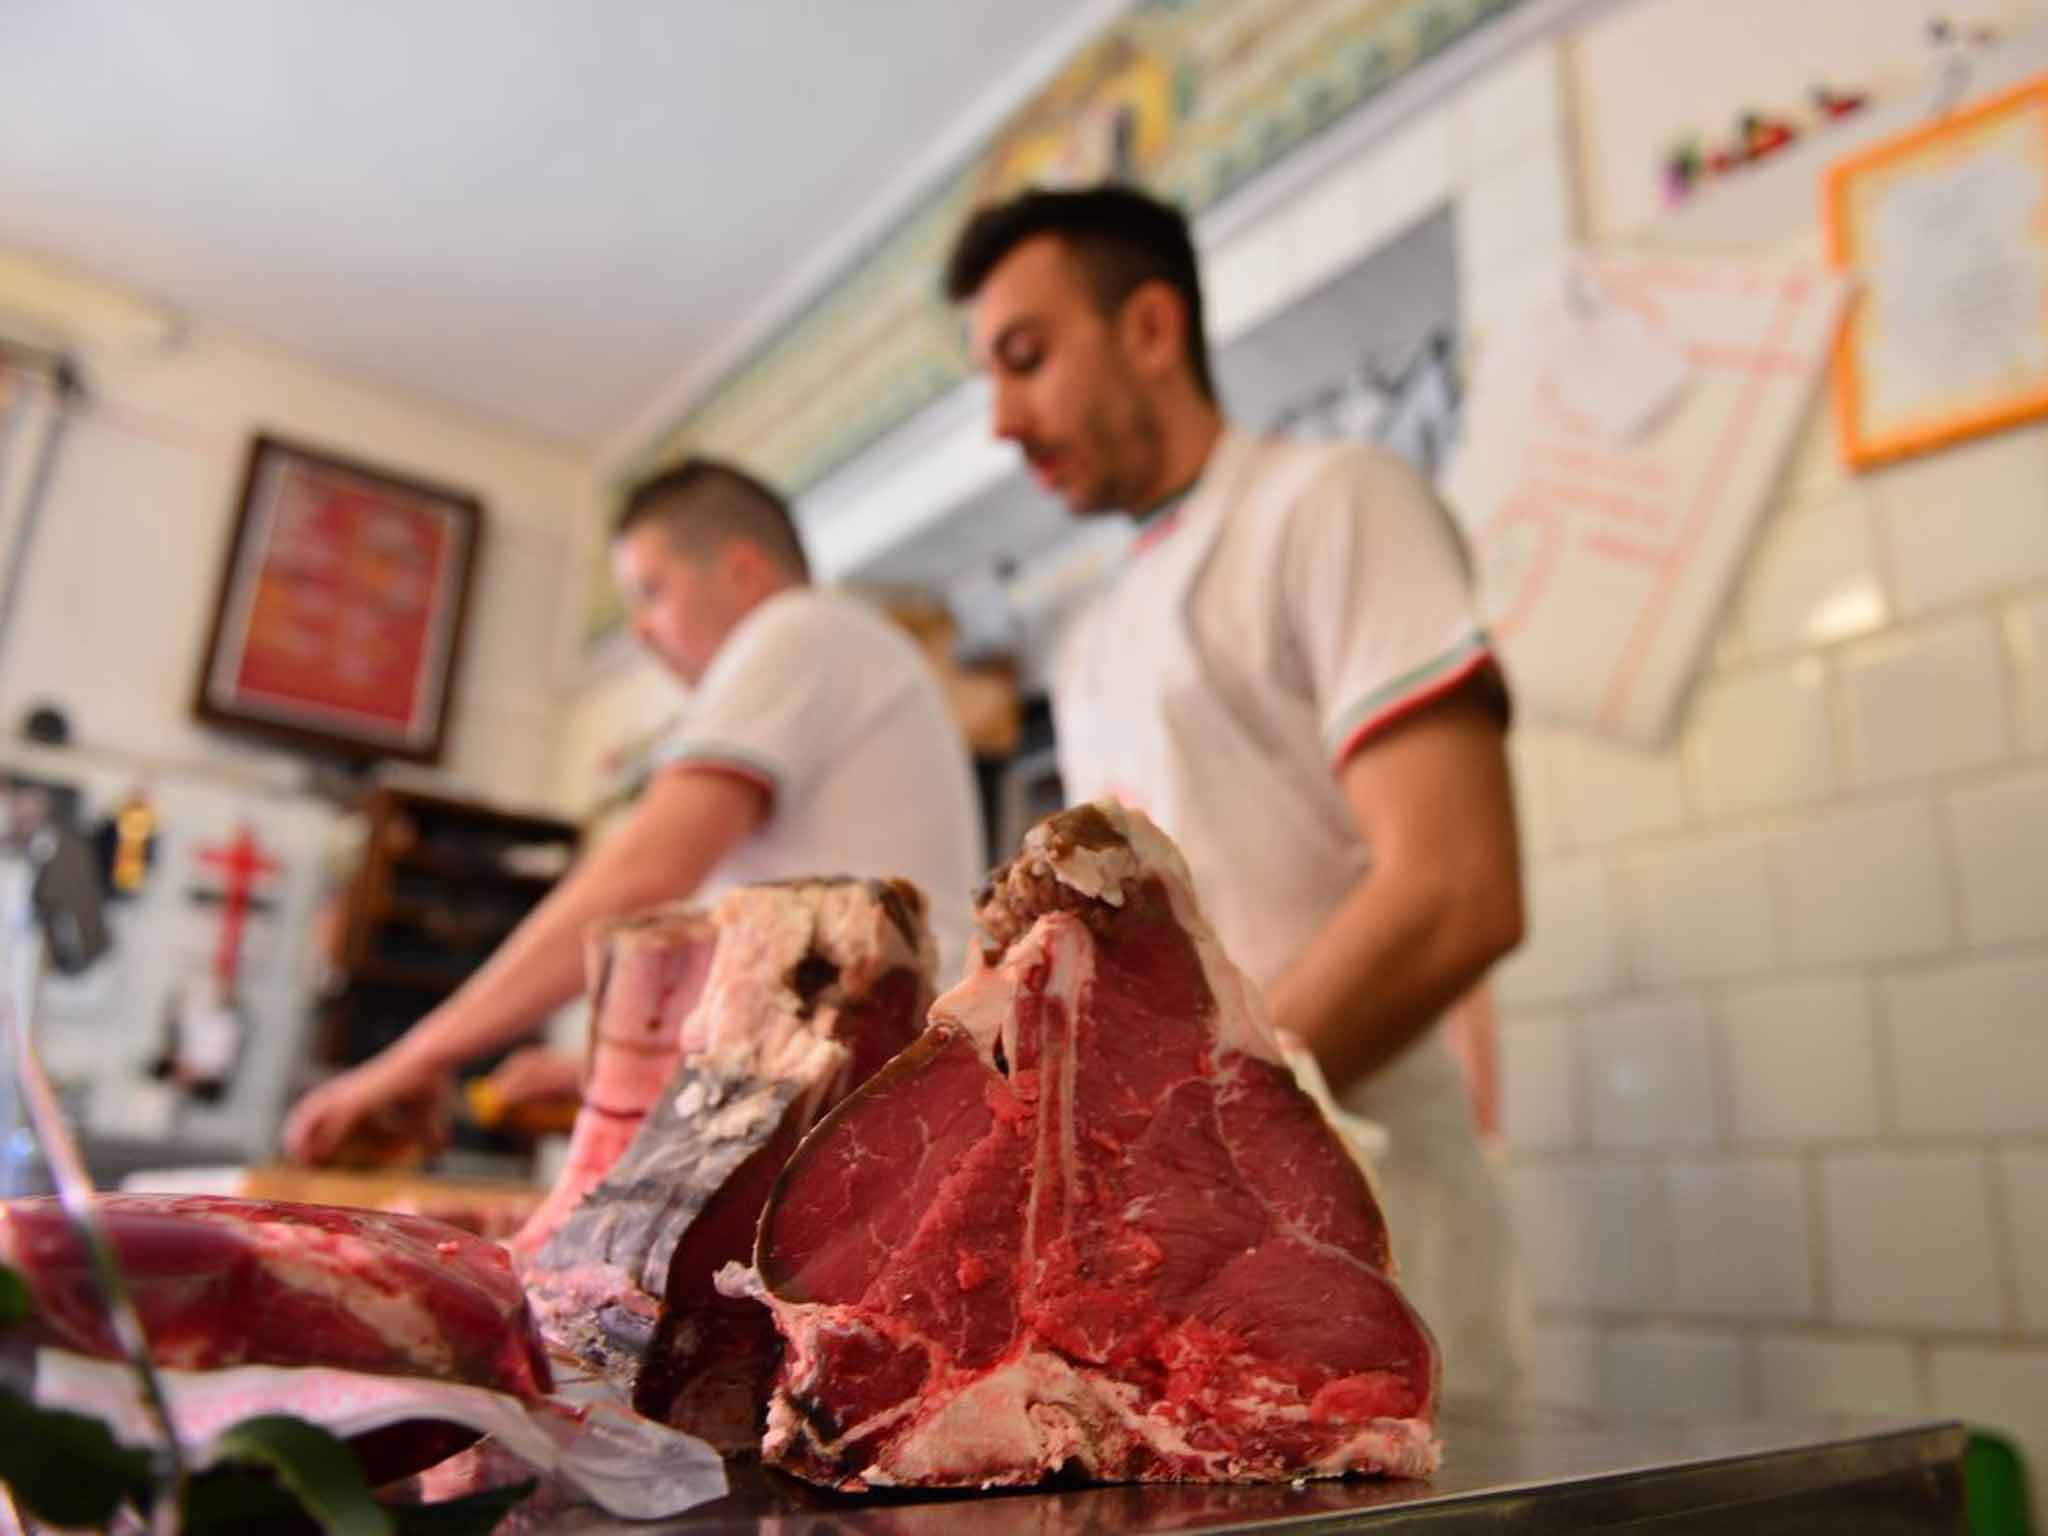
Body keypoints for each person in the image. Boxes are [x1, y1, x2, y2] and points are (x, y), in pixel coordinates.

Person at [944, 187, 1527, 1395]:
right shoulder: (1094, 636)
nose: (1000, 421)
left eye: (1028, 359)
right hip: (1169, 1258)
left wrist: (1185, 1136)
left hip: (1362, 1234)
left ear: (1151, 329)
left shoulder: (1330, 501)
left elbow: (1457, 885)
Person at [285, 458, 985, 1165]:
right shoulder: (832, 662)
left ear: (741, 571)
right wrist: (622, 1076)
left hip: (872, 1124)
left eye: (651, 592)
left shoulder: (795, 630)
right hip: (869, 1109)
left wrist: (417, 1054)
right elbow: (778, 967)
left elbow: (645, 875)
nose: (641, 631)